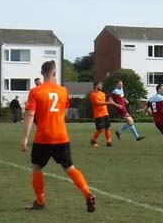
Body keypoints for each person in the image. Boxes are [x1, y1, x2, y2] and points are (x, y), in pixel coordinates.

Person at [20, 60, 96, 212]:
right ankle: (87, 193)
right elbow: (64, 112)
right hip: (61, 135)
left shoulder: (36, 91)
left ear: (42, 73)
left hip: (43, 137)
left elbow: (30, 114)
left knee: (36, 168)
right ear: (54, 73)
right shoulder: (63, 91)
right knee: (69, 167)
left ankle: (40, 201)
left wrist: (25, 138)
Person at [89, 82, 117, 147]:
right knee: (100, 130)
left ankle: (109, 142)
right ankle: (93, 140)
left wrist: (110, 100)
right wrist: (108, 103)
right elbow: (98, 103)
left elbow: (105, 102)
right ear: (96, 86)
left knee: (107, 128)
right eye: (100, 85)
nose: (101, 86)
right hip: (98, 114)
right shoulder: (93, 94)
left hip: (105, 113)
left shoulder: (103, 94)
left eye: (101, 85)